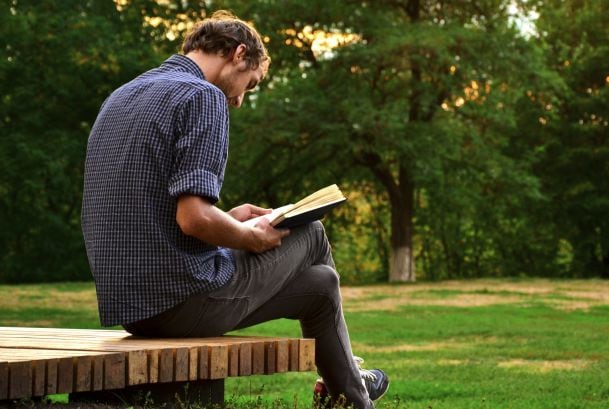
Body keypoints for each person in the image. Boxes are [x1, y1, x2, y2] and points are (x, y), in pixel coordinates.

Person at [81, 10, 388, 409]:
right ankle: (346, 383)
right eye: (250, 84)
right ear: (238, 54)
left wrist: (228, 218)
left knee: (321, 285)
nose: (241, 99)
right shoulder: (203, 96)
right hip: (179, 300)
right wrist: (250, 236)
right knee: (311, 232)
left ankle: (350, 394)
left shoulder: (122, 96)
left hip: (131, 306)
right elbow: (192, 219)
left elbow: (156, 210)